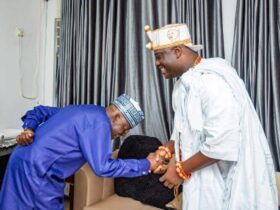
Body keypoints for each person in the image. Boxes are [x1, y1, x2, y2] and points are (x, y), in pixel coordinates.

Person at [145, 24, 278, 209]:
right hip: (199, 180)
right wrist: (166, 151)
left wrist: (180, 171)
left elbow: (222, 144)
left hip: (224, 182)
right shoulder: (182, 86)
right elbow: (182, 131)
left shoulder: (212, 82)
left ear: (176, 51)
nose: (156, 63)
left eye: (159, 57)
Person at [0, 94, 162, 210]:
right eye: (125, 128)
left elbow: (40, 111)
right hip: (39, 172)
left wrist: (29, 127)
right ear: (117, 116)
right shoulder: (100, 124)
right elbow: (103, 167)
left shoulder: (84, 110)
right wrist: (147, 163)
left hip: (20, 158)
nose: (123, 134)